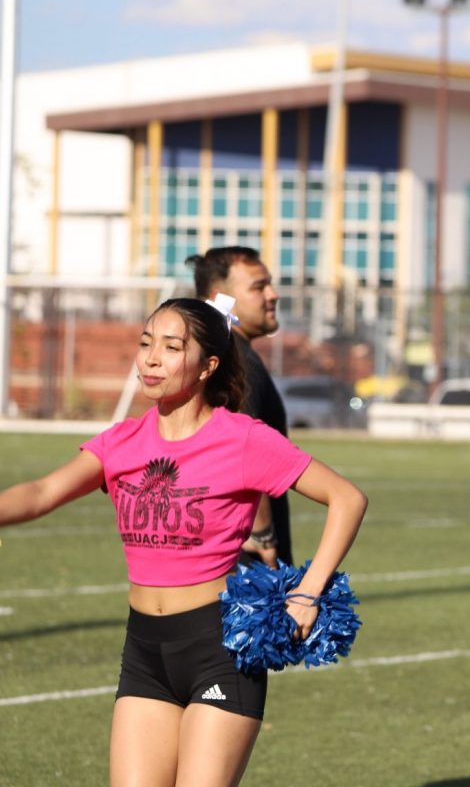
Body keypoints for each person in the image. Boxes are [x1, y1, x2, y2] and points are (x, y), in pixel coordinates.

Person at [0, 296, 368, 786]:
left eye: (171, 348)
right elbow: (41, 492)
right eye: (145, 344)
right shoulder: (122, 442)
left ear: (207, 366)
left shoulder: (242, 438)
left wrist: (308, 592)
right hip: (144, 651)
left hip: (220, 648)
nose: (151, 359)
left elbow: (347, 498)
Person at [188, 247, 292, 568]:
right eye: (259, 287)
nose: (273, 295)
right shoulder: (236, 362)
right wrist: (262, 536)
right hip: (242, 554)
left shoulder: (212, 356)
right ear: (222, 299)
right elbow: (244, 447)